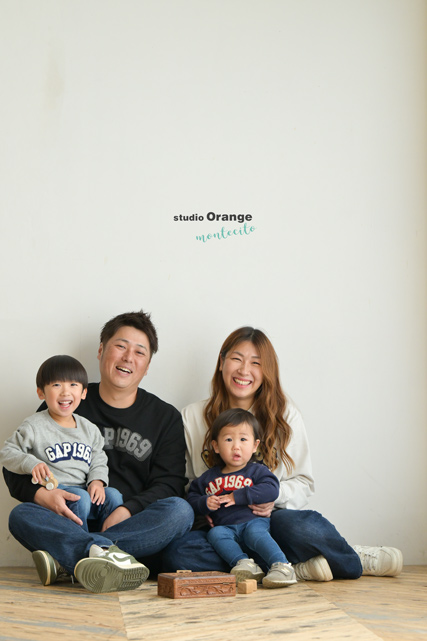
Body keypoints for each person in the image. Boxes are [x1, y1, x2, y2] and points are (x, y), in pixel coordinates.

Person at [163, 326, 403, 581]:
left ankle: (348, 557)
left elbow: (303, 483)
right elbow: (189, 484)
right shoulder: (192, 416)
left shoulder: (285, 415)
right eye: (236, 359)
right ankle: (291, 566)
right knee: (178, 553)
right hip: (221, 526)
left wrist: (271, 499)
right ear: (221, 362)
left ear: (267, 371)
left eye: (256, 363)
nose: (244, 370)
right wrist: (204, 509)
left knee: (305, 527)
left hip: (269, 519)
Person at [3, 311, 194, 593]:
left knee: (181, 511)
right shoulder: (65, 400)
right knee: (21, 516)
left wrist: (126, 511)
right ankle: (106, 555)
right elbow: (14, 467)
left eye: (139, 352)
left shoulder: (165, 417)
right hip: (66, 519)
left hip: (132, 526)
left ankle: (75, 558)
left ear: (147, 365)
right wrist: (43, 496)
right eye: (120, 346)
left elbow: (170, 484)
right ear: (101, 350)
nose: (128, 357)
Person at [0, 355, 123, 533]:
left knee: (113, 496)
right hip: (55, 490)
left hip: (84, 489)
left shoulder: (89, 429)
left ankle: (110, 544)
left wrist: (97, 480)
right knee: (80, 498)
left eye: (73, 385)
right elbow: (7, 452)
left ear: (83, 393)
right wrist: (31, 463)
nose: (65, 392)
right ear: (41, 393)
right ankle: (82, 546)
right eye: (56, 385)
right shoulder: (34, 425)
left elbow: (98, 459)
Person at [187, 408, 297, 588]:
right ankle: (244, 564)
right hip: (224, 526)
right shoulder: (207, 478)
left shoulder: (257, 471)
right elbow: (191, 496)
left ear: (255, 446)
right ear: (216, 446)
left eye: (243, 439)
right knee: (214, 534)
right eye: (228, 440)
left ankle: (282, 565)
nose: (236, 446)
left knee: (255, 534)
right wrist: (203, 503)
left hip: (253, 521)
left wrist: (238, 496)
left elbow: (271, 489)